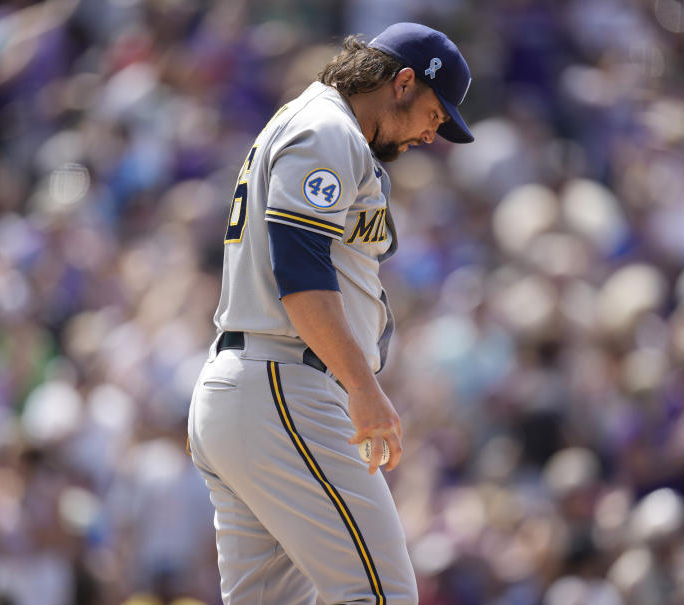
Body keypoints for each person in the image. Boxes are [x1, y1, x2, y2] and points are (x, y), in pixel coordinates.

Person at [187, 22, 475, 604]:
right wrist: (363, 388)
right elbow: (300, 275)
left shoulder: (318, 124)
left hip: (254, 388)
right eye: (435, 114)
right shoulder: (327, 129)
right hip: (283, 384)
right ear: (402, 83)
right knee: (381, 595)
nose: (432, 132)